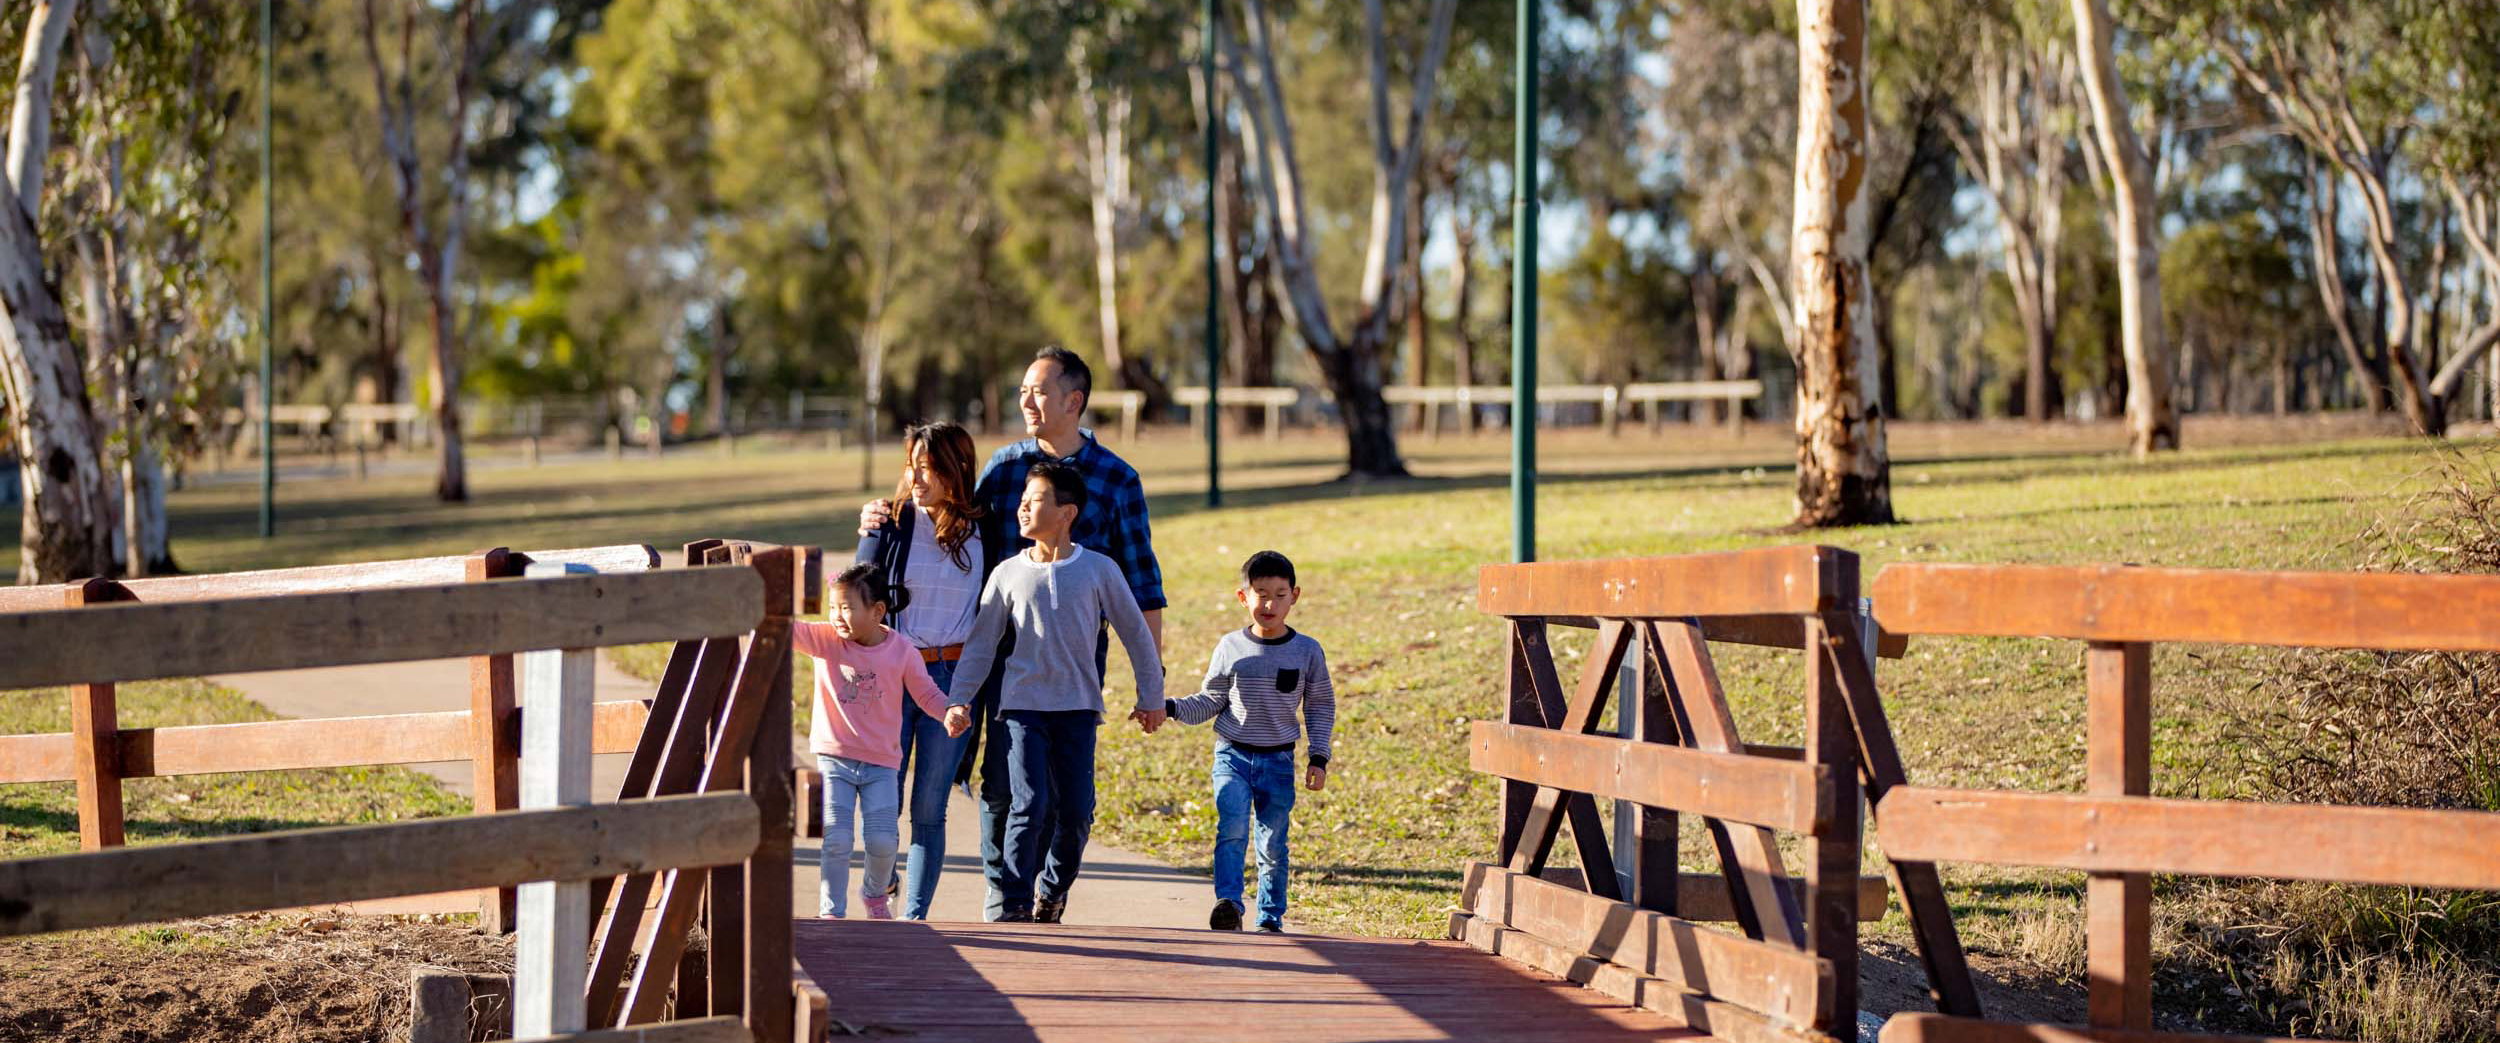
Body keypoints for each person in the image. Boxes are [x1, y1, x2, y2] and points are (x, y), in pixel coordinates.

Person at [862, 346, 1166, 921]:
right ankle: (1006, 902)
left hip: (1076, 665)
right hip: (998, 662)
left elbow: (1143, 588)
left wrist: (1153, 683)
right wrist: (882, 515)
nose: (1026, 399)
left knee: (1063, 797)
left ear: (1073, 401)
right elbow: (945, 521)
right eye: (1023, 389)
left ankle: (1049, 890)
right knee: (1002, 783)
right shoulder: (1003, 469)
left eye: (1039, 391)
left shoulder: (1117, 480)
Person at [939, 461, 1166, 924]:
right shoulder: (1006, 573)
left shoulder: (1100, 569)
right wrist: (959, 699)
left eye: (1036, 498)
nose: (1023, 505)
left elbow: (1136, 636)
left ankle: (1051, 888)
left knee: (1078, 811)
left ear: (1067, 513)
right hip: (1022, 706)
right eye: (1023, 498)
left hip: (1079, 708)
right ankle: (1016, 902)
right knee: (1030, 802)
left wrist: (1151, 695)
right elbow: (982, 646)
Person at [852, 421, 987, 920]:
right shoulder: (892, 521)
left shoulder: (985, 530)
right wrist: (868, 532)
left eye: (929, 468)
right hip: (894, 675)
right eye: (912, 466)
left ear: (957, 470)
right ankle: (883, 875)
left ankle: (913, 921)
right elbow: (858, 593)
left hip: (952, 680)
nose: (917, 477)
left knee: (930, 809)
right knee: (880, 800)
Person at [1166, 550, 1335, 933]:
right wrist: (1170, 707)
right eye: (1260, 593)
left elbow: (1321, 706)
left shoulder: (1307, 650)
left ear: (1295, 596)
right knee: (1232, 829)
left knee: (1273, 842)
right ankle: (1228, 903)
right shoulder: (1230, 647)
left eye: (1279, 593)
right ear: (1244, 597)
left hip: (1278, 760)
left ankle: (1270, 917)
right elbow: (1210, 700)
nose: (1270, 603)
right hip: (1232, 755)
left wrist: (1319, 757)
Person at [793, 563, 952, 919]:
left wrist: (949, 713)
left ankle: (874, 894)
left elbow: (926, 694)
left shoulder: (902, 651)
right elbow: (784, 630)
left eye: (847, 608)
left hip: (882, 764)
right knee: (837, 840)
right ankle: (831, 911)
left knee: (882, 843)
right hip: (835, 758)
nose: (837, 616)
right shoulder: (825, 640)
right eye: (833, 607)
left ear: (878, 610)